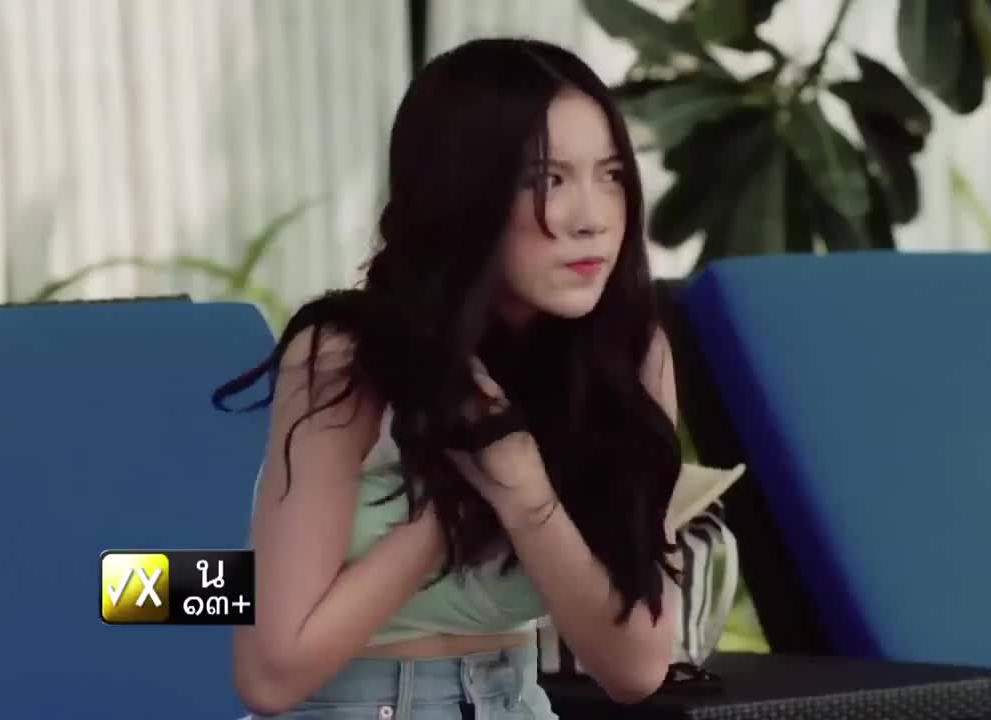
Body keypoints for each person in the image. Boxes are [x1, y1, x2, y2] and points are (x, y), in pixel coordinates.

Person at [213, 36, 684, 719]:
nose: (592, 218)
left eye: (610, 174)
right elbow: (270, 674)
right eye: (546, 179)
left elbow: (636, 667)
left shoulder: (628, 359)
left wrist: (524, 493)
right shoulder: (348, 359)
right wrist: (451, 505)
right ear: (465, 193)